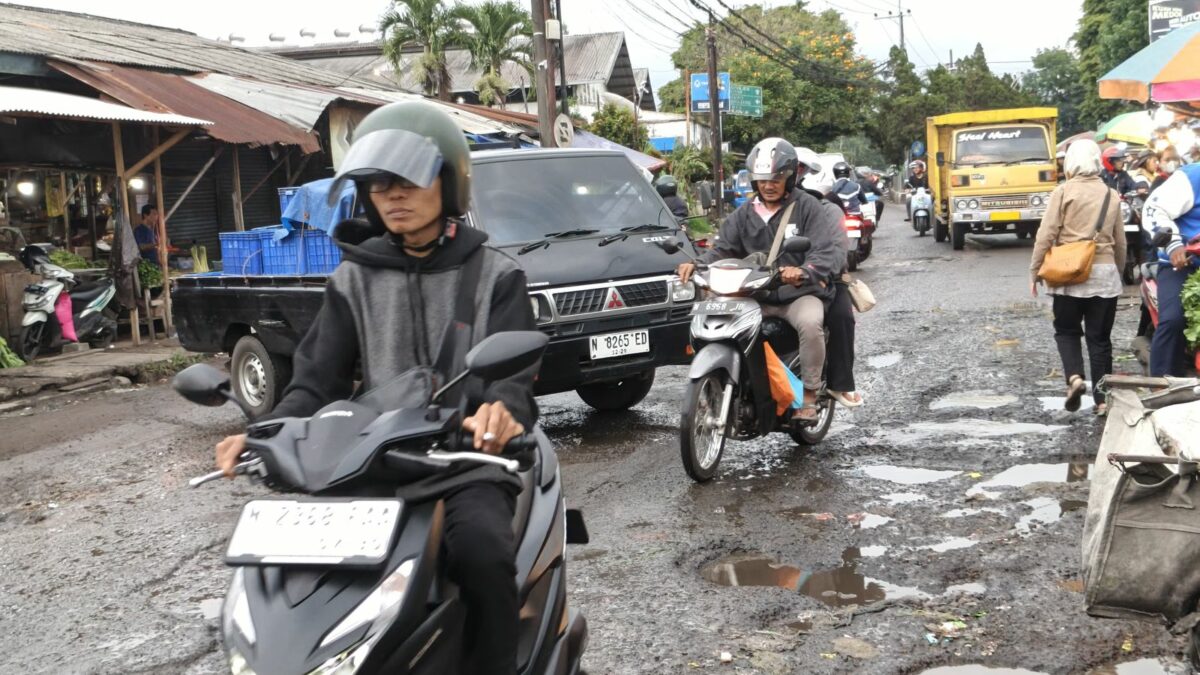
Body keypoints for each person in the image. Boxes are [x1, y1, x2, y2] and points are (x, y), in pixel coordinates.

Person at [212, 101, 537, 675]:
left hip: (462, 461)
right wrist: (262, 433)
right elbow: (314, 381)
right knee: (291, 577)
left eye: (407, 179)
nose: (393, 195)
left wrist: (499, 412)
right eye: (379, 183)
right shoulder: (354, 276)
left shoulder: (496, 274)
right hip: (370, 461)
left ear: (447, 181)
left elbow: (510, 380)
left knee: (483, 554)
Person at [677, 138, 845, 418]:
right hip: (757, 294)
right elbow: (721, 249)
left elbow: (823, 250)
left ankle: (810, 397)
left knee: (810, 322)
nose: (769, 185)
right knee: (720, 319)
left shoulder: (808, 208)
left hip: (797, 295)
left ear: (790, 177)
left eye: (777, 178)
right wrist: (697, 265)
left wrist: (804, 271)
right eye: (763, 179)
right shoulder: (744, 214)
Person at [1029, 139, 1126, 415]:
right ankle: (1103, 400)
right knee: (1100, 340)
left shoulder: (1063, 192)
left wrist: (1034, 271)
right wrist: (1115, 273)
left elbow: (1045, 234)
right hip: (1104, 275)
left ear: (1070, 162)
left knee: (1067, 332)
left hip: (1068, 275)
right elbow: (1120, 243)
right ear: (1097, 161)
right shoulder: (1111, 194)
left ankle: (1074, 378)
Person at [799, 153, 862, 408]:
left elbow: (837, 251)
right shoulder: (760, 209)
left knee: (841, 317)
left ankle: (840, 383)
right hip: (775, 282)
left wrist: (819, 272)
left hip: (825, 279)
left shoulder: (825, 207)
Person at [1141, 160, 1200, 377]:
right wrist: (1174, 245)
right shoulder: (1191, 177)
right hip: (1184, 264)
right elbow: (1154, 208)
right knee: (1174, 319)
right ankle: (1162, 386)